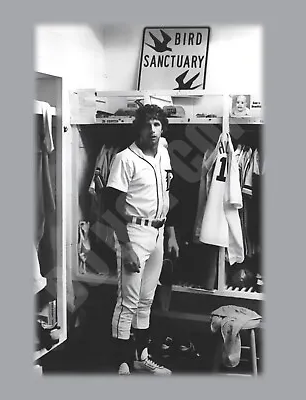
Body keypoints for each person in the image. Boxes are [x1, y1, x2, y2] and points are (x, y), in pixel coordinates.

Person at [104, 104, 179, 376]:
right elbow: (109, 207)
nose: (153, 130)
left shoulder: (164, 154)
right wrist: (125, 246)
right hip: (133, 233)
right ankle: (122, 364)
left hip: (157, 232)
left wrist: (170, 233)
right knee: (128, 302)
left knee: (146, 301)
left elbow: (167, 196)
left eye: (157, 125)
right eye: (147, 125)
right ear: (138, 128)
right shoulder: (125, 159)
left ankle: (141, 357)